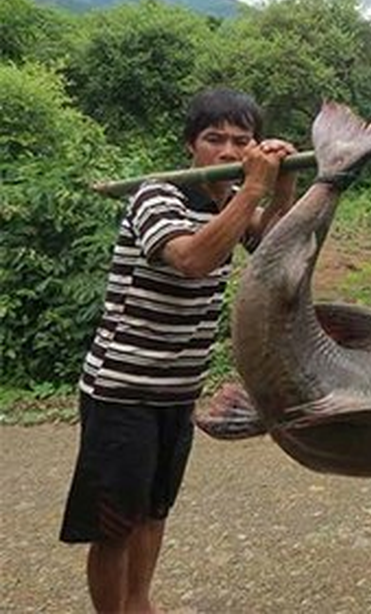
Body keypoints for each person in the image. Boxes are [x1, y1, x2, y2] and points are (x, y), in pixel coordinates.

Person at [59, 88, 298, 614]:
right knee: (114, 525)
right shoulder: (155, 196)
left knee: (153, 512)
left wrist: (281, 191)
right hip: (122, 390)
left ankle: (140, 604)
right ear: (191, 145)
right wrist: (252, 189)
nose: (229, 151)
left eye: (242, 140)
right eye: (215, 139)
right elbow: (192, 259)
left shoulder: (224, 201)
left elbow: (269, 250)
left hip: (177, 392)